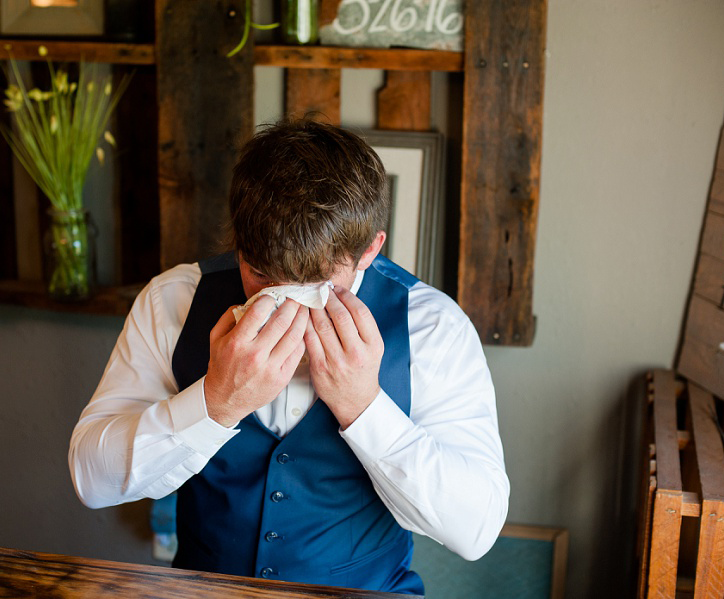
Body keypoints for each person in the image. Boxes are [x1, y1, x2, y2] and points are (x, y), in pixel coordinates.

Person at [69, 119, 509, 595]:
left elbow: (476, 531)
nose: (288, 302)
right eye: (260, 274)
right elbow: (91, 480)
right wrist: (215, 403)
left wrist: (364, 407)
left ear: (369, 250)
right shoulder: (172, 301)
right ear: (238, 243)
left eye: (317, 285)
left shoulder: (432, 327)